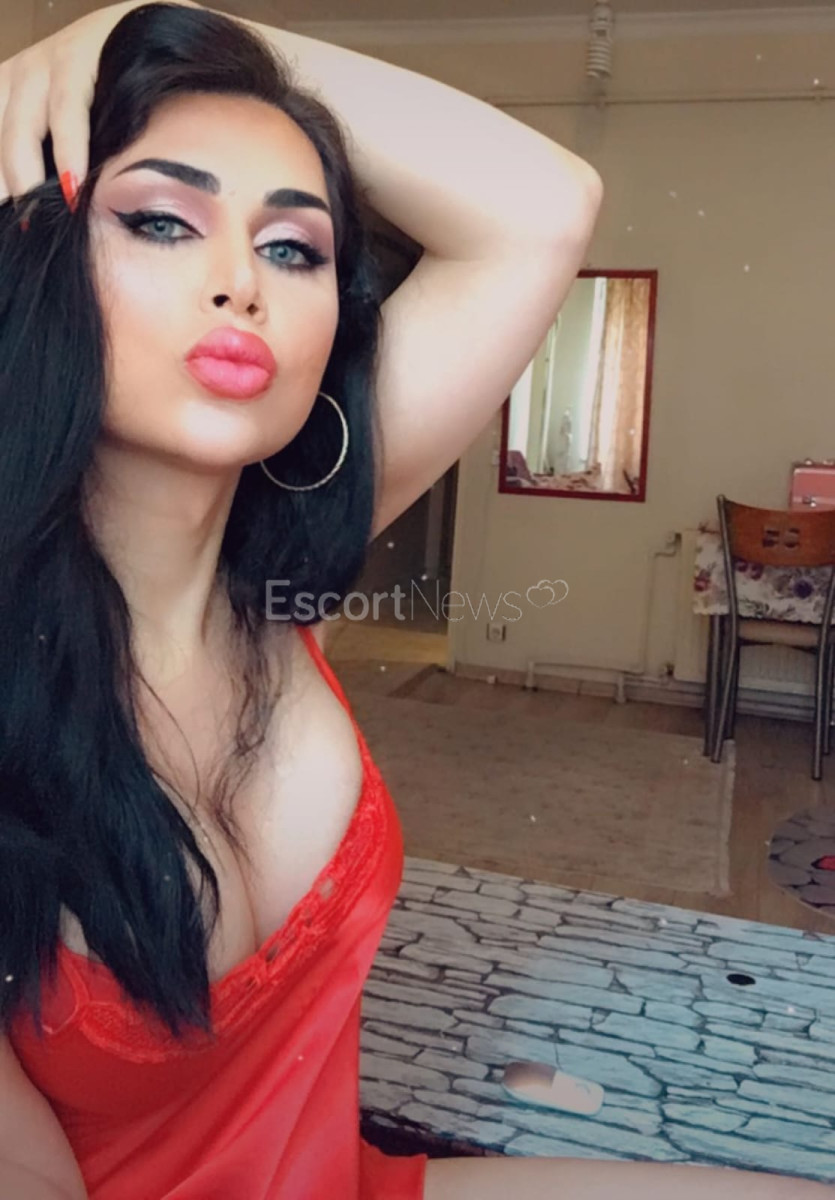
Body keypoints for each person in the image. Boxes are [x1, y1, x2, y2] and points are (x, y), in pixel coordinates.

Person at [0, 2, 829, 1198]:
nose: (241, 283)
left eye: (294, 247)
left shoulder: (279, 572)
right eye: (162, 221)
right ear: (37, 262)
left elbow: (540, 206)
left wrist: (168, 20)